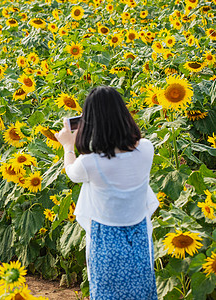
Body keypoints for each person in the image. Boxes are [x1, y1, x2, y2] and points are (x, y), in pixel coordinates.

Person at [55, 86, 158, 299]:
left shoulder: (90, 163)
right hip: (138, 234)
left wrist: (68, 145)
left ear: (90, 123)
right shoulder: (147, 149)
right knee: (140, 291)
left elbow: (72, 172)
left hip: (106, 238)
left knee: (107, 293)